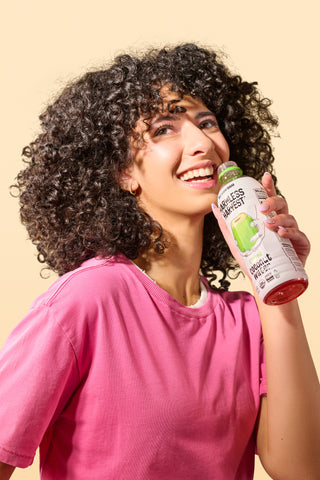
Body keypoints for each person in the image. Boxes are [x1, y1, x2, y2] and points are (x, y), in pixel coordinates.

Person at [0, 43, 319, 480]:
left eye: (207, 122)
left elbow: (300, 468)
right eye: (164, 130)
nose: (202, 142)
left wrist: (275, 282)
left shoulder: (247, 320)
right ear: (122, 173)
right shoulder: (87, 301)